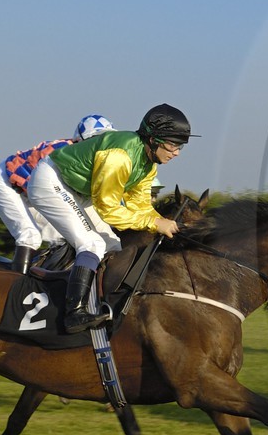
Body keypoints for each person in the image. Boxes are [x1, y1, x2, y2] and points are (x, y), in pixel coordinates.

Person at [27, 104, 192, 333]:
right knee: (91, 243)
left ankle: (99, 303)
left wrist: (165, 225)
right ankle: (74, 312)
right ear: (153, 139)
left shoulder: (148, 166)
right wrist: (154, 223)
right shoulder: (120, 156)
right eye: (173, 144)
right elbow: (109, 208)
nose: (177, 152)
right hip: (52, 181)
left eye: (181, 146)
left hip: (81, 191)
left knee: (113, 246)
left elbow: (140, 206)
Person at [0, 114, 116, 271]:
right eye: (95, 139)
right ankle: (18, 282)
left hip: (29, 190)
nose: (100, 145)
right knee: (30, 236)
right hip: (5, 181)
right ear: (80, 140)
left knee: (70, 237)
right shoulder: (63, 151)